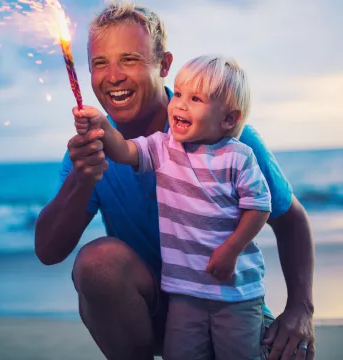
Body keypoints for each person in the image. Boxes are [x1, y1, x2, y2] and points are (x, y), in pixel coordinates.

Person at [34, 2, 315, 360]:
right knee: (97, 263)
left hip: (227, 305)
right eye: (100, 63)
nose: (113, 75)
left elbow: (290, 220)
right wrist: (83, 178)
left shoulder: (228, 139)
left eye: (130, 60)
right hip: (152, 310)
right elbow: (47, 251)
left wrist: (300, 311)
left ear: (164, 65)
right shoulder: (92, 150)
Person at [74, 54, 272, 359]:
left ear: (229, 119)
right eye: (178, 93)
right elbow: (124, 151)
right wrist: (100, 124)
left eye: (195, 99)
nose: (179, 104)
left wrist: (232, 248)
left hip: (235, 294)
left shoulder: (239, 156)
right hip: (183, 292)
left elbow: (259, 206)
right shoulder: (163, 147)